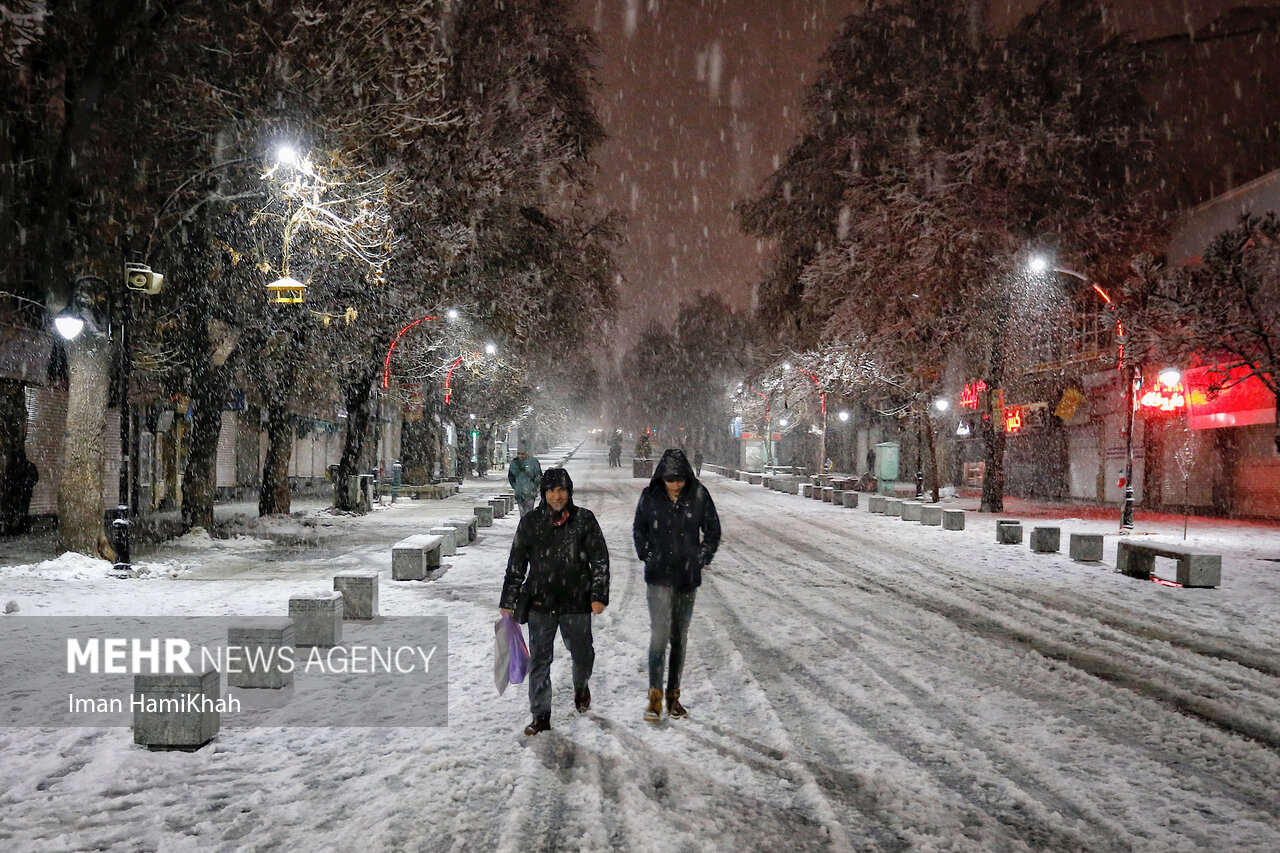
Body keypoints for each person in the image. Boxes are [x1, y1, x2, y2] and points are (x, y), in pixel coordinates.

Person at [499, 468, 609, 735]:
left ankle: (581, 685)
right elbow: (516, 564)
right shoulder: (530, 523)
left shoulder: (584, 520)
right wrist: (509, 598)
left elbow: (600, 560)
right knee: (539, 661)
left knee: (583, 654)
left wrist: (598, 595)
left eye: (561, 490)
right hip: (540, 603)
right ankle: (540, 715)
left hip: (576, 602)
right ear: (543, 493)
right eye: (551, 491)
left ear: (569, 492)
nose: (556, 496)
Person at [632, 447, 720, 722]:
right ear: (662, 478)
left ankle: (674, 696)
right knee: (659, 638)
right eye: (670, 479)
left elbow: (713, 530)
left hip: (686, 578)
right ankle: (655, 697)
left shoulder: (698, 495)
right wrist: (646, 553)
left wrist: (701, 556)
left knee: (678, 639)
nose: (676, 484)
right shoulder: (650, 497)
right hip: (658, 577)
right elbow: (639, 528)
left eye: (680, 479)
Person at [507, 444, 542, 516]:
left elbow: (538, 476)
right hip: (519, 493)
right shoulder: (514, 463)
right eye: (519, 454)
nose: (520, 456)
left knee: (529, 513)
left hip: (530, 493)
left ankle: (528, 525)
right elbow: (511, 476)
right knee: (522, 513)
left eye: (522, 454)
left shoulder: (533, 462)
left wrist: (534, 486)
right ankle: (524, 525)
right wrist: (515, 486)